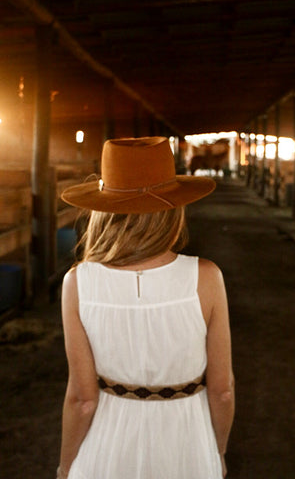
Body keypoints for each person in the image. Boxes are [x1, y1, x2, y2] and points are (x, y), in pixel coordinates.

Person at [57, 137, 234, 479]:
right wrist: (219, 452)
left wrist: (65, 467)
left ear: (103, 211)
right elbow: (222, 390)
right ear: (172, 208)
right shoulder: (207, 277)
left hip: (107, 450)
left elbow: (82, 399)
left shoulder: (78, 282)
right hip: (188, 446)